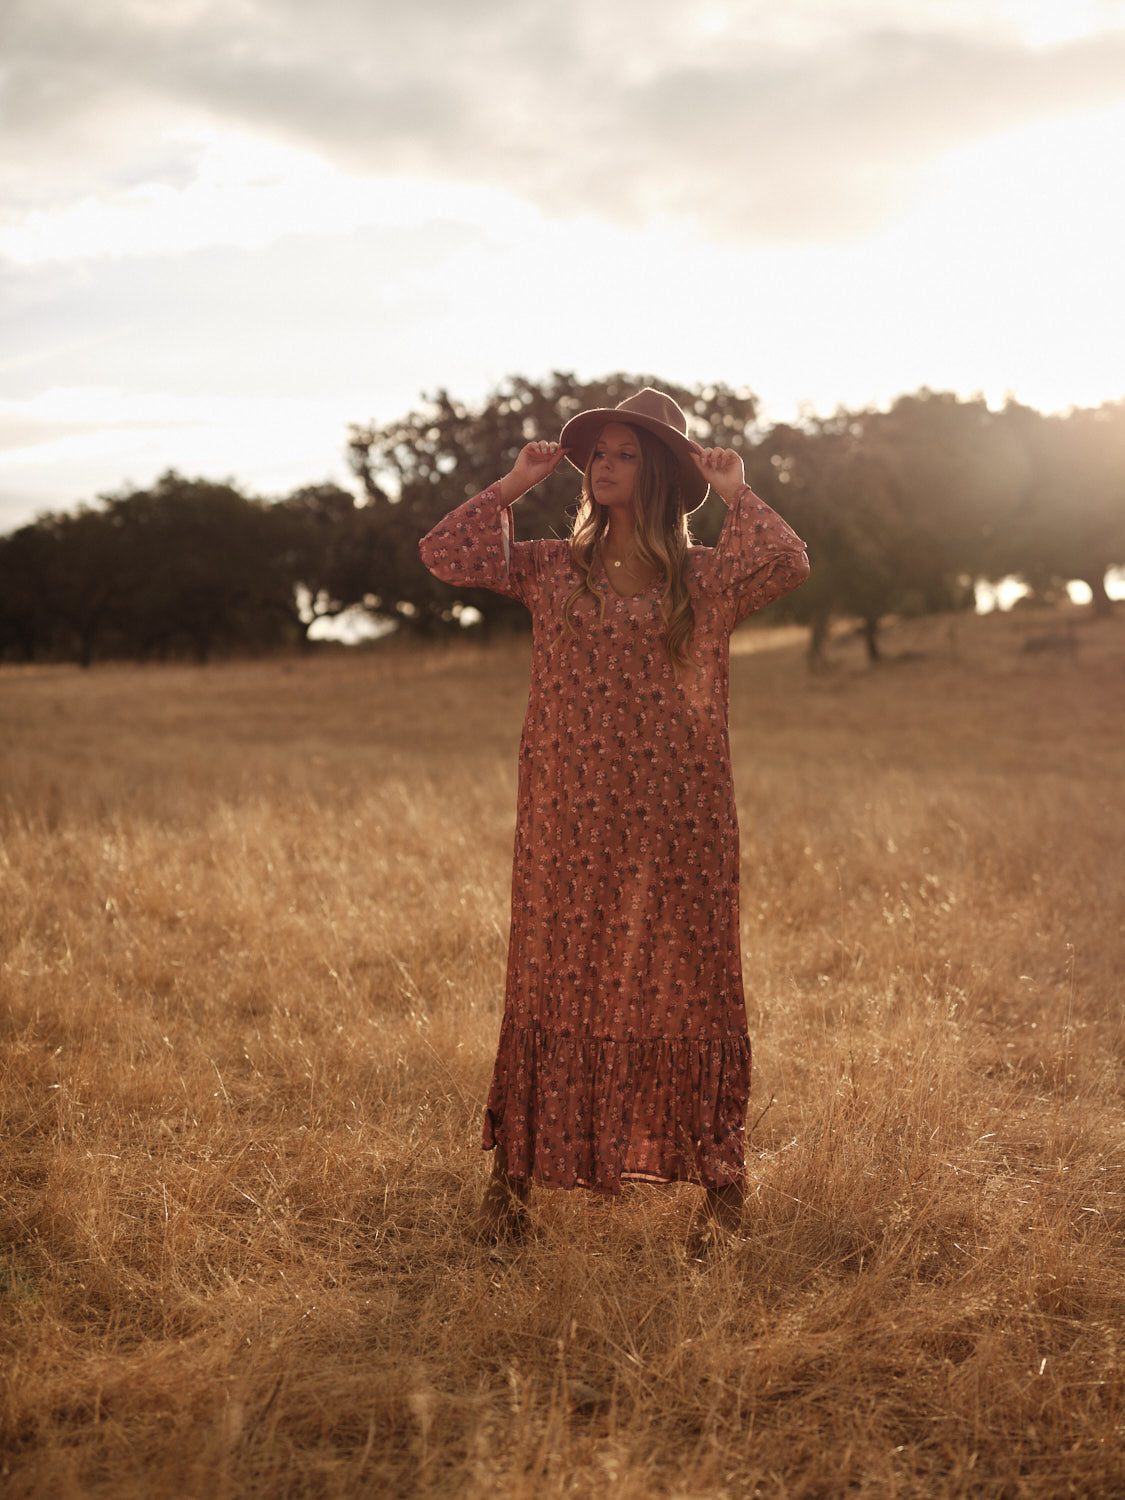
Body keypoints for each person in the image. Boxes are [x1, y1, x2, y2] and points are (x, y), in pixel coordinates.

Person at [418, 387, 809, 1250]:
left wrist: (738, 489)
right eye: (596, 453)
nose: (602, 464)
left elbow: (786, 562)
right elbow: (446, 553)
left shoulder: (702, 578)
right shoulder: (554, 565)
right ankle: (512, 1185)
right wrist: (515, 484)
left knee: (691, 975)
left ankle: (721, 1187)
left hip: (680, 813)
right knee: (554, 972)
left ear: (659, 472)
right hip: (567, 811)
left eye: (625, 453)